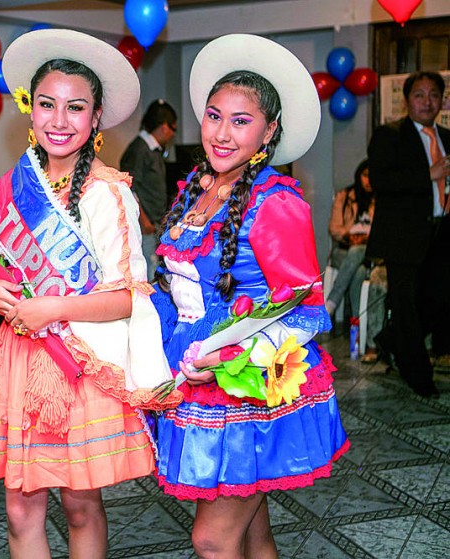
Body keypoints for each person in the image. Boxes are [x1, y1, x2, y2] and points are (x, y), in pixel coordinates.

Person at [0, 29, 173, 558]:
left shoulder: (109, 193)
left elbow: (125, 298)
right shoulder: (8, 191)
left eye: (75, 108)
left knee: (80, 505)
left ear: (95, 118)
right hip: (15, 361)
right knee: (18, 508)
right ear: (30, 111)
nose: (58, 120)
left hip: (77, 363)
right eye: (47, 105)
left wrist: (54, 306)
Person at [151, 34, 349, 558]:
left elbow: (306, 312)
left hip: (247, 382)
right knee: (251, 526)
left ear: (269, 130)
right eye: (214, 116)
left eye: (241, 121)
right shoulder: (196, 184)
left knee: (212, 540)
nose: (221, 132)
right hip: (187, 370)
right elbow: (174, 286)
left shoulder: (277, 202)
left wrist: (226, 357)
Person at [366, 71, 450, 396]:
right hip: (404, 236)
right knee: (407, 306)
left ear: (442, 100)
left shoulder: (446, 136)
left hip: (443, 232)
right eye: (419, 95)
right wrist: (428, 174)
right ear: (407, 100)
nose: (426, 102)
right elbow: (382, 182)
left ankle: (390, 339)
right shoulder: (390, 135)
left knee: (440, 301)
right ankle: (419, 376)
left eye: (433, 95)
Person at [120, 99, 178, 279]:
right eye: (174, 129)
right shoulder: (139, 150)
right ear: (164, 127)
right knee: (147, 269)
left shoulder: (154, 150)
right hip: (144, 225)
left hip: (154, 223)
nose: (172, 135)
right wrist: (144, 220)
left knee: (155, 266)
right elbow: (128, 187)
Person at [326, 159, 376, 358]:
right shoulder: (345, 196)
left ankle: (330, 303)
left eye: (372, 176)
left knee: (360, 262)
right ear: (358, 175)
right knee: (358, 267)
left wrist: (364, 238)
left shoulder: (380, 200)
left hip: (365, 253)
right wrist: (350, 236)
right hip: (343, 251)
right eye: (365, 175)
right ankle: (357, 325)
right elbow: (334, 229)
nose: (368, 180)